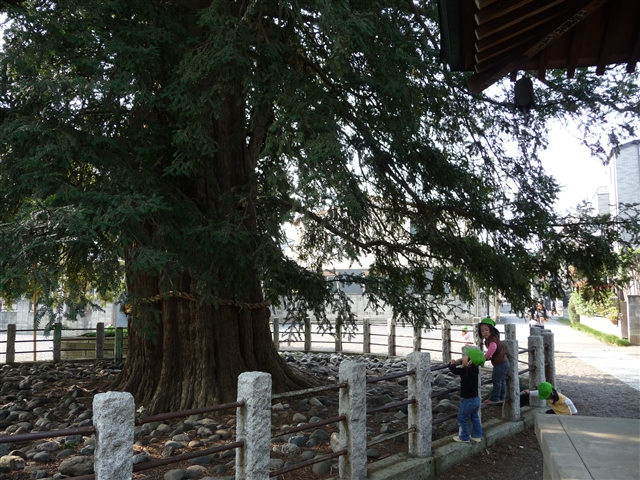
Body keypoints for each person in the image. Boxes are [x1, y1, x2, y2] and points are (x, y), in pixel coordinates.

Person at [449, 348, 485, 443]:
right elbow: (467, 364)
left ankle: (464, 437)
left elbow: (454, 370)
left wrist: (452, 363)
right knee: (475, 417)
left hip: (468, 401)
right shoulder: (475, 369)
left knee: (462, 417)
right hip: (476, 399)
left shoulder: (466, 370)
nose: (463, 357)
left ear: (470, 361)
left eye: (465, 356)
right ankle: (477, 436)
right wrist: (462, 360)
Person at [477, 317, 509, 404]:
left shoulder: (491, 339)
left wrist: (486, 357)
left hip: (500, 363)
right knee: (501, 381)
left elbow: (493, 348)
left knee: (497, 380)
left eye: (486, 330)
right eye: (482, 331)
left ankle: (494, 398)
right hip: (504, 362)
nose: (484, 332)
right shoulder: (494, 337)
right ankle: (501, 397)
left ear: (491, 330)